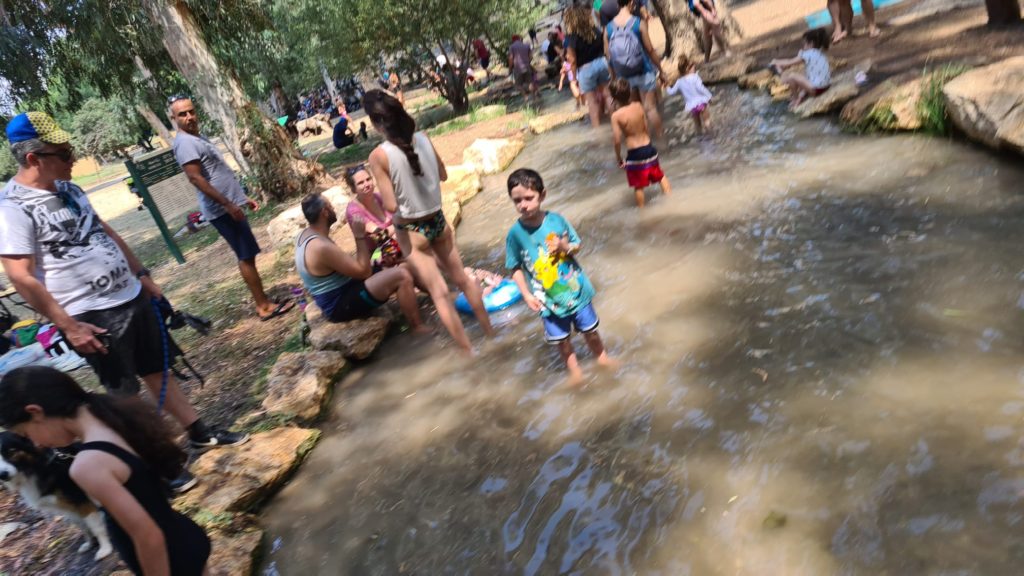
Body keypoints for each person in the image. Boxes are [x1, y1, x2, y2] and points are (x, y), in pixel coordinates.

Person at [0, 112, 248, 493]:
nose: (72, 158)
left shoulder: (69, 189)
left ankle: (198, 433)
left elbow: (106, 231)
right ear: (33, 159)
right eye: (63, 152)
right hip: (91, 313)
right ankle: (156, 465)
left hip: (130, 295)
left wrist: (143, 275)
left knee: (159, 371)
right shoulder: (13, 207)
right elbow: (20, 275)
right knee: (124, 397)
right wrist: (68, 325)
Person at [0, 366, 211, 575]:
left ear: (35, 412)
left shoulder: (88, 465)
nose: (36, 444)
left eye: (26, 434)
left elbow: (148, 534)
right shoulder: (111, 416)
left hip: (171, 562)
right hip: (184, 537)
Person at [363, 90, 494, 354]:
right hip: (438, 220)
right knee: (464, 281)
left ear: (376, 123)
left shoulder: (379, 156)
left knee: (439, 292)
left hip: (412, 230)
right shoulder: (423, 137)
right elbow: (443, 174)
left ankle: (469, 354)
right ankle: (492, 335)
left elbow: (390, 205)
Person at [168, 96, 294, 322]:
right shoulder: (185, 143)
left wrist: (241, 198)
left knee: (248, 254)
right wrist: (227, 204)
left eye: (191, 112)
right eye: (182, 115)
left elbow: (217, 173)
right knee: (245, 255)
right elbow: (196, 179)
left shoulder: (196, 137)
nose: (189, 117)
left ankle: (263, 299)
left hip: (229, 205)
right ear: (173, 118)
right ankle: (263, 306)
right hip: (221, 210)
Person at [505, 169, 616, 386]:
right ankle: (575, 372)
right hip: (548, 301)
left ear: (542, 195)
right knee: (562, 341)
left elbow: (577, 245)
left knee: (590, 332)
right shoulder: (515, 235)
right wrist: (526, 294)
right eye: (517, 200)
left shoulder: (556, 221)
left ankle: (602, 359)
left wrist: (565, 246)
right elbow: (514, 267)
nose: (523, 205)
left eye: (529, 198)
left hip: (577, 291)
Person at [296, 192, 425, 330]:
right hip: (340, 305)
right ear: (324, 212)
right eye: (330, 206)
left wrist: (381, 264)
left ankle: (438, 296)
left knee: (405, 264)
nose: (333, 209)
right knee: (402, 276)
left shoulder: (306, 235)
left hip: (346, 286)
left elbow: (345, 268)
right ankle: (418, 328)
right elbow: (364, 272)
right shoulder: (320, 246)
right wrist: (359, 236)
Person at [605, 0, 665, 139]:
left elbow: (609, 57)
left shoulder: (608, 29)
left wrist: (613, 79)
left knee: (635, 110)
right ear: (631, 2)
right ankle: (662, 142)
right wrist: (661, 70)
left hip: (624, 76)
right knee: (650, 108)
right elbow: (650, 50)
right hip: (644, 71)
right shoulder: (638, 23)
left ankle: (644, 141)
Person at [610, 79, 672, 207]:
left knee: (639, 185)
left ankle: (642, 212)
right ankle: (671, 200)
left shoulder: (616, 116)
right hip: (649, 148)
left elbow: (616, 139)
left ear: (613, 97)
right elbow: (646, 126)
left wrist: (618, 157)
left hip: (635, 153)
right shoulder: (638, 105)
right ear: (629, 92)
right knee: (660, 176)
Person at [344, 165, 403, 271]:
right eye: (361, 183)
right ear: (353, 189)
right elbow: (380, 236)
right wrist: (399, 223)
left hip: (395, 242)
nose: (367, 184)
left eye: (368, 179)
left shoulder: (379, 197)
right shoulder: (354, 211)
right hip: (375, 253)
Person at [565, 4, 613, 127]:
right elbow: (604, 46)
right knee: (608, 95)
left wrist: (574, 79)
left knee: (592, 102)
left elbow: (573, 60)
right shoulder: (594, 30)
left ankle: (597, 131)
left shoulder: (571, 37)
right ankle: (615, 121)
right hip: (602, 63)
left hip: (585, 69)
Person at [769, 28, 831, 109]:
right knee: (802, 76)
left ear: (811, 44)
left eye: (804, 44)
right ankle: (799, 98)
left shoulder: (807, 54)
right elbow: (809, 78)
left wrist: (776, 62)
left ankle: (794, 99)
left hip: (817, 89)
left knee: (792, 76)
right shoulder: (820, 53)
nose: (803, 47)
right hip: (825, 86)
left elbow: (789, 62)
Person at [666, 53, 714, 136]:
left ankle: (701, 140)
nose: (695, 67)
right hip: (701, 103)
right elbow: (701, 88)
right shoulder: (695, 77)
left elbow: (671, 92)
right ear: (688, 68)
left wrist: (666, 86)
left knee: (697, 126)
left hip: (692, 107)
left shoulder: (679, 82)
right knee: (707, 122)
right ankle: (712, 136)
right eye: (693, 66)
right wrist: (709, 97)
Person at [509, 34, 539, 103]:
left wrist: (510, 69)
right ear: (519, 39)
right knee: (530, 83)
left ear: (513, 40)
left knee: (518, 85)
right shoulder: (526, 45)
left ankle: (526, 97)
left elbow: (510, 58)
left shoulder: (512, 47)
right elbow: (531, 57)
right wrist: (527, 62)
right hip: (527, 67)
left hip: (518, 68)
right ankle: (534, 98)